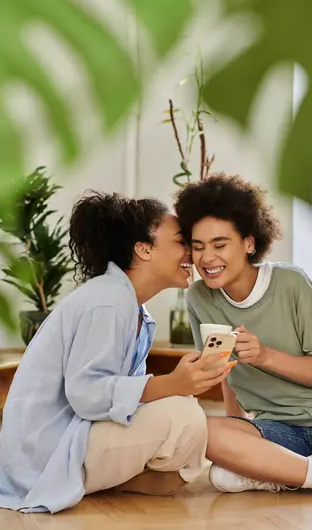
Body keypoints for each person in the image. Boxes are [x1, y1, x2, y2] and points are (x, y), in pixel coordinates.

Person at [0, 192, 233, 513]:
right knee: (184, 413)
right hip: (45, 451)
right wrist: (171, 385)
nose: (191, 254)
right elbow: (86, 394)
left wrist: (179, 384)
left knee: (187, 429)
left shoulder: (132, 308)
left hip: (75, 435)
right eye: (182, 241)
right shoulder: (108, 301)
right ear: (144, 249)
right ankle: (80, 481)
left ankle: (103, 482)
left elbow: (120, 401)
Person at [174, 173, 312, 498]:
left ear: (249, 242)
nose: (207, 258)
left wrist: (265, 356)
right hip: (279, 431)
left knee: (226, 476)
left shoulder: (291, 284)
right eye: (198, 247)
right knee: (205, 431)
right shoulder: (198, 297)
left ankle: (289, 471)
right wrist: (239, 431)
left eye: (220, 244)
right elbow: (225, 372)